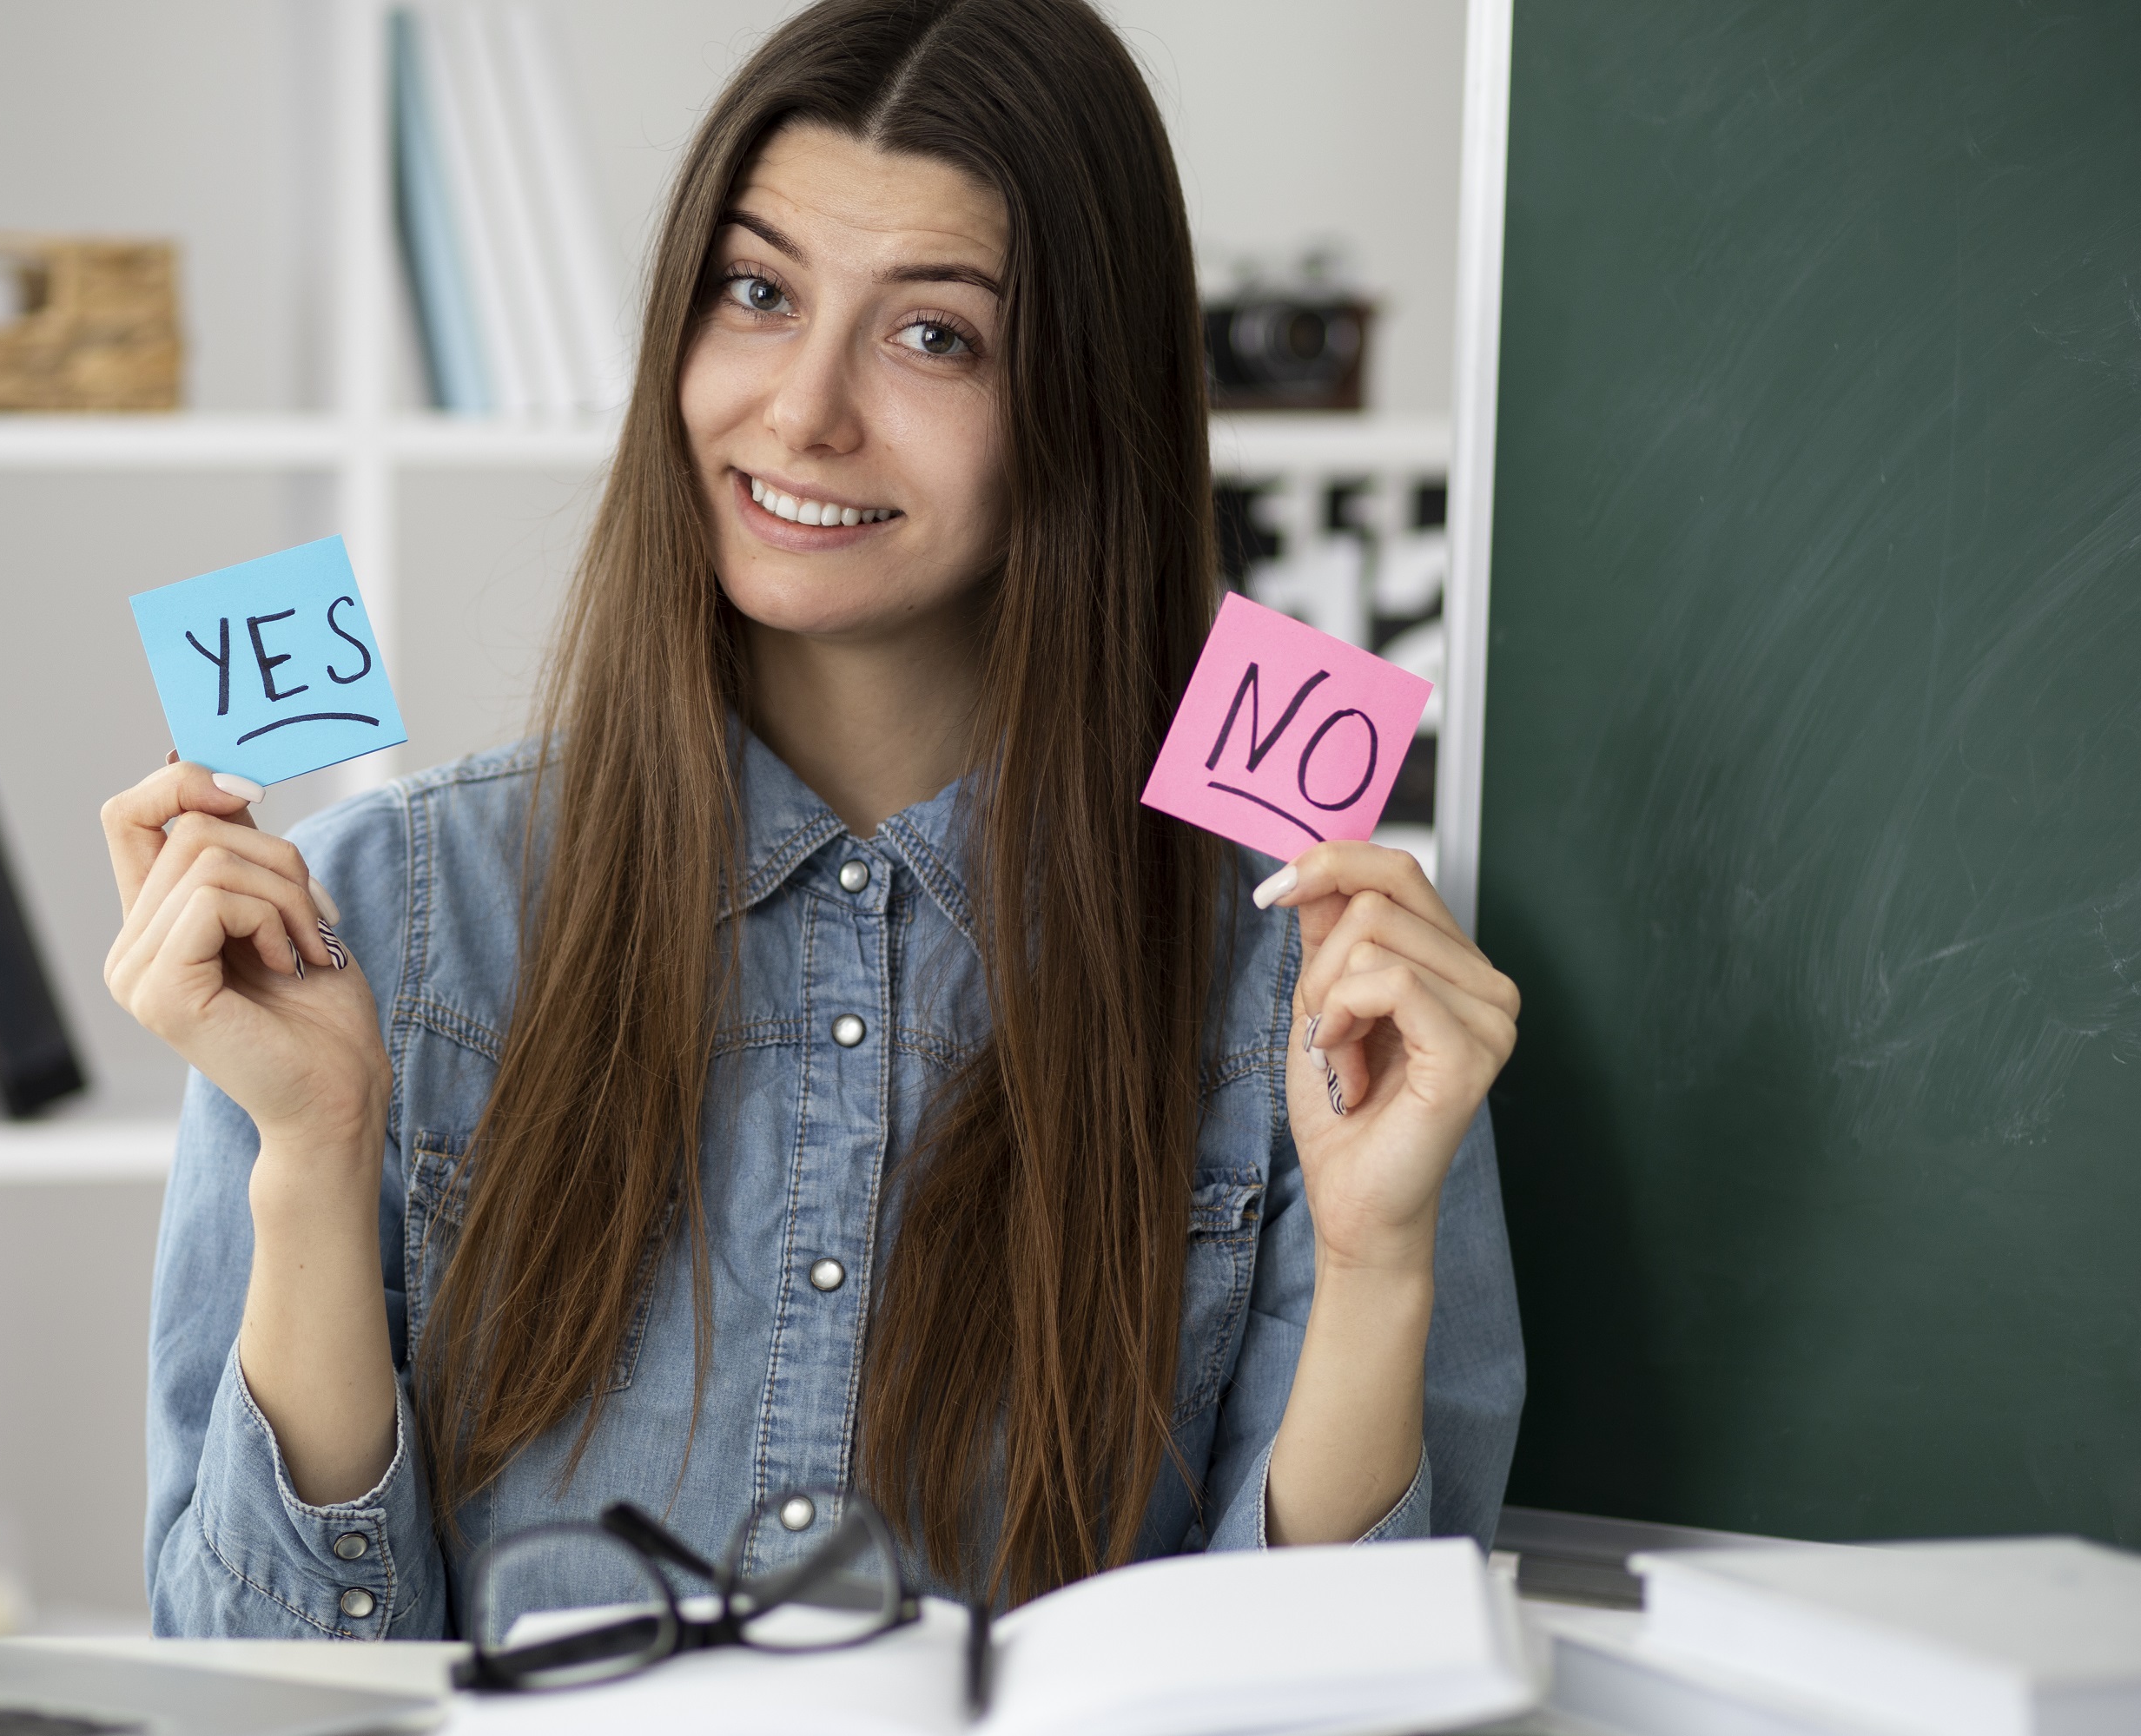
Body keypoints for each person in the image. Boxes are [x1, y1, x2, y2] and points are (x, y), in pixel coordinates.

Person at [102, 0, 1523, 1641]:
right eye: (758, 293)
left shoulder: (1316, 988)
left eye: (936, 337)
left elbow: (1331, 1691)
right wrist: (315, 1157)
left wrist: (1376, 1257)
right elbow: (262, 1691)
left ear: (1081, 400)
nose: (803, 414)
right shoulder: (362, 920)